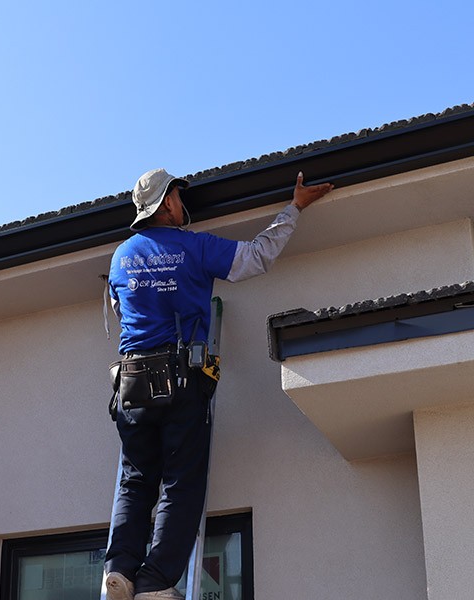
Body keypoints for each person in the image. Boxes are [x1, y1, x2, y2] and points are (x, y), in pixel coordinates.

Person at [104, 168, 333, 600]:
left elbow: (121, 308)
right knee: (181, 481)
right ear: (167, 203)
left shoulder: (120, 257)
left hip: (131, 383)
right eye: (177, 195)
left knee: (135, 481)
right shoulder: (194, 246)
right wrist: (294, 209)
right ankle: (154, 581)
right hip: (179, 378)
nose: (182, 202)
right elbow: (256, 256)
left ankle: (119, 571)